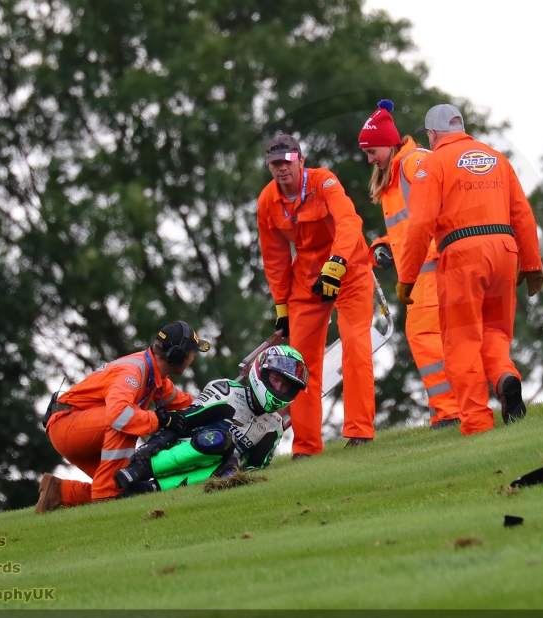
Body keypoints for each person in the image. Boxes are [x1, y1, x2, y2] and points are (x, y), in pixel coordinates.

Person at [396, 104, 543, 436]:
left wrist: (407, 277)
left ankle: (477, 423)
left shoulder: (432, 164)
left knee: (461, 341)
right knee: (495, 332)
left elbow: (420, 225)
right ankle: (506, 377)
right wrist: (532, 264)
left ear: (432, 135)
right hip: (505, 252)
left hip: (462, 256)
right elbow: (522, 213)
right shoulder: (497, 158)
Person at [256, 134, 376, 457]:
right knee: (300, 363)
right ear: (270, 167)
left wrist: (336, 264)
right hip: (306, 280)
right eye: (275, 164)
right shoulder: (268, 200)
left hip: (348, 270)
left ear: (300, 160)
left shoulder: (324, 183)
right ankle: (306, 447)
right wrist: (281, 306)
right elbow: (274, 256)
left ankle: (360, 432)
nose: (282, 169)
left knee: (355, 344)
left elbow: (349, 222)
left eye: (287, 162)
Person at [358, 99, 460, 429]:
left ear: (389, 143)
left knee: (424, 335)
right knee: (444, 338)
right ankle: (456, 407)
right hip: (425, 266)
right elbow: (407, 227)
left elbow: (438, 206)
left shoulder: (413, 163)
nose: (369, 158)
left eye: (372, 151)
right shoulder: (395, 175)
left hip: (432, 265)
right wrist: (383, 248)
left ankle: (449, 411)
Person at [34, 321, 209, 513]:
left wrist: (226, 399)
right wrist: (160, 420)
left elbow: (188, 403)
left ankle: (61, 492)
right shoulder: (133, 372)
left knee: (125, 485)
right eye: (192, 353)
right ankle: (106, 500)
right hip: (67, 425)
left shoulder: (155, 377)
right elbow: (119, 415)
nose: (193, 358)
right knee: (126, 421)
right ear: (177, 355)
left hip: (77, 427)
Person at [113, 345, 309, 495]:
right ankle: (142, 470)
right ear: (261, 372)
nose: (279, 388)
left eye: (285, 385)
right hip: (177, 451)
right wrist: (151, 447)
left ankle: (151, 488)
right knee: (220, 439)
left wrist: (235, 466)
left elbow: (254, 469)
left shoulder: (274, 426)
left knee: (231, 469)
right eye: (275, 379)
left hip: (210, 471)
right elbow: (183, 420)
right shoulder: (226, 390)